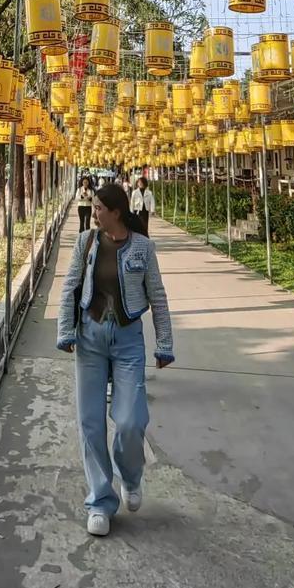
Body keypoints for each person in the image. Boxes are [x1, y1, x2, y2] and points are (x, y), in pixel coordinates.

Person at [56, 181, 174, 536]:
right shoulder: (86, 243)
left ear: (116, 212)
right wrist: (65, 331)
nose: (93, 213)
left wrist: (164, 343)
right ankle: (100, 500)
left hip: (128, 342)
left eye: (98, 209)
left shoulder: (143, 248)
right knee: (90, 422)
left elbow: (158, 296)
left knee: (130, 420)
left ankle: (131, 476)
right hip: (90, 339)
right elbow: (69, 287)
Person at [130, 172, 155, 239]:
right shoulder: (135, 192)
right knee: (137, 224)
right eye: (139, 182)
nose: (140, 184)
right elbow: (132, 202)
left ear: (144, 183)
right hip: (137, 210)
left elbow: (152, 201)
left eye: (141, 182)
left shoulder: (149, 192)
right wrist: (131, 211)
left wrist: (152, 210)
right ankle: (137, 236)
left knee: (145, 224)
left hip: (145, 210)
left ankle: (145, 237)